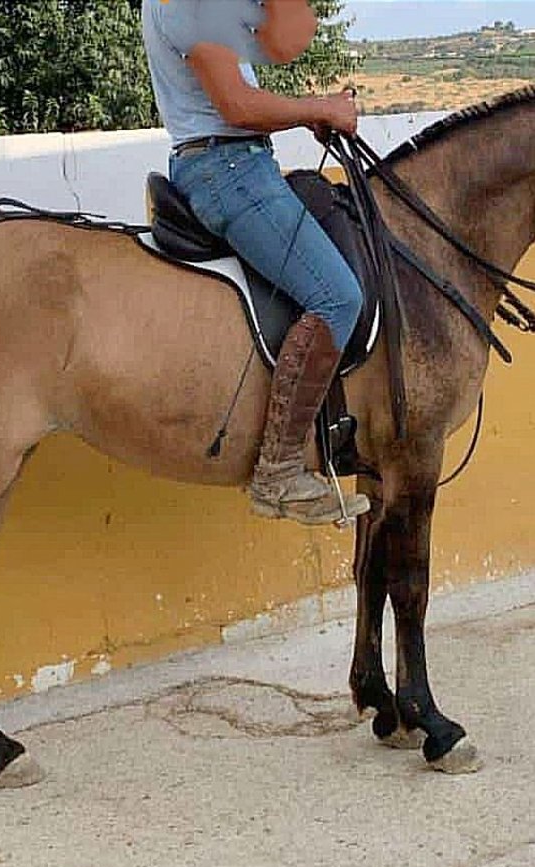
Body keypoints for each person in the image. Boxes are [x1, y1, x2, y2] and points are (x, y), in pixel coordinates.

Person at [142, 0, 370, 526]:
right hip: (228, 172)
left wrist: (309, 114)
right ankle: (279, 473)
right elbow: (239, 107)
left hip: (235, 161)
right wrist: (319, 109)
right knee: (338, 297)